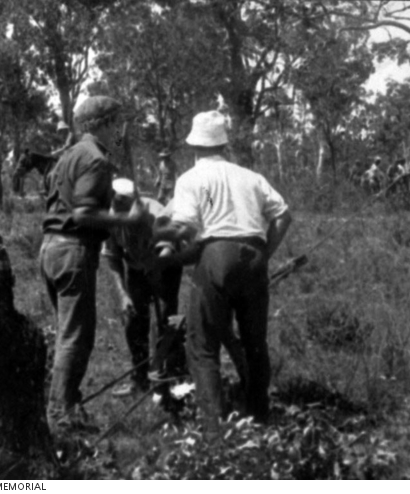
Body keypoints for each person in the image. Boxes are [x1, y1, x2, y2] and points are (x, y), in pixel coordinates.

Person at [153, 110, 292, 437]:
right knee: (255, 344)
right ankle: (259, 418)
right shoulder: (251, 177)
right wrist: (265, 255)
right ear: (223, 145)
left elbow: (185, 225)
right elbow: (284, 216)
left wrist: (158, 236)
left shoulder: (190, 179)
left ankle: (214, 432)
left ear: (194, 146)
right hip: (254, 255)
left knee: (202, 346)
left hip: (215, 255)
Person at [39, 95, 146, 432]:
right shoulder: (96, 159)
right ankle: (61, 416)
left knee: (66, 335)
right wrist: (125, 220)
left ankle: (65, 403)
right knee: (76, 338)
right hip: (74, 250)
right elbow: (83, 212)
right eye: (116, 123)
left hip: (50, 250)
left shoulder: (68, 154)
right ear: (102, 124)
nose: (119, 130)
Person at [102, 177, 183, 396]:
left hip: (166, 265)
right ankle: (139, 378)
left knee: (166, 320)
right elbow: (113, 258)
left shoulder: (156, 213)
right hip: (136, 268)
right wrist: (123, 296)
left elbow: (168, 248)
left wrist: (157, 265)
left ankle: (169, 376)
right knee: (133, 320)